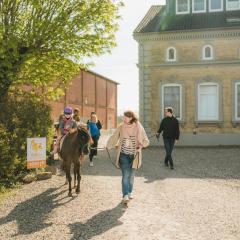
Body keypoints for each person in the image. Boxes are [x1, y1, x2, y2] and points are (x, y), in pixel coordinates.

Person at [106, 110, 149, 204]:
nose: (124, 119)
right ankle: (125, 195)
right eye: (123, 117)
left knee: (131, 176)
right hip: (123, 155)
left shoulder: (138, 127)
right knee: (125, 175)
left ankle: (129, 192)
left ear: (131, 118)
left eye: (126, 117)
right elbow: (114, 137)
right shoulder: (121, 127)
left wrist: (141, 145)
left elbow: (146, 140)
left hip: (134, 156)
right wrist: (108, 145)